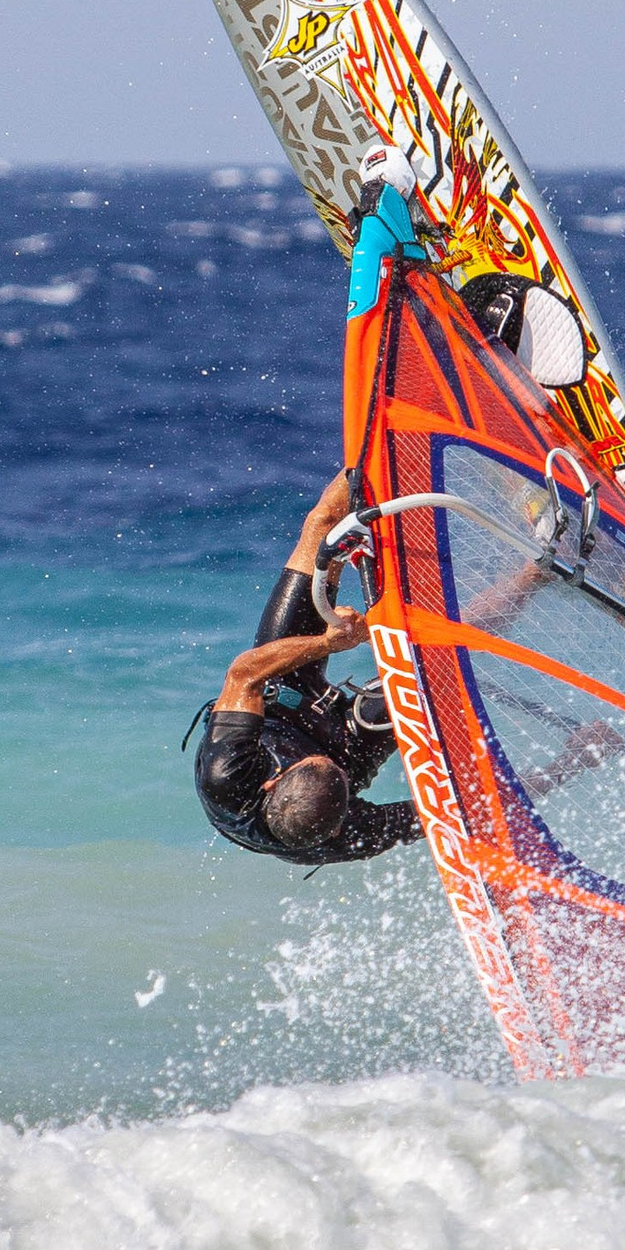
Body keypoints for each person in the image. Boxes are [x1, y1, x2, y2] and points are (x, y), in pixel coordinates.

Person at [188, 155, 436, 868]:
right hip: (340, 753)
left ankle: (396, 382)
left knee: (319, 526)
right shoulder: (345, 832)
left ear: (274, 779)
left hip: (277, 690)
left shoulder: (229, 771)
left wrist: (331, 643)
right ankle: (539, 568)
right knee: (422, 662)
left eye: (310, 766)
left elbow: (243, 673)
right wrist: (574, 762)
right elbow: (455, 820)